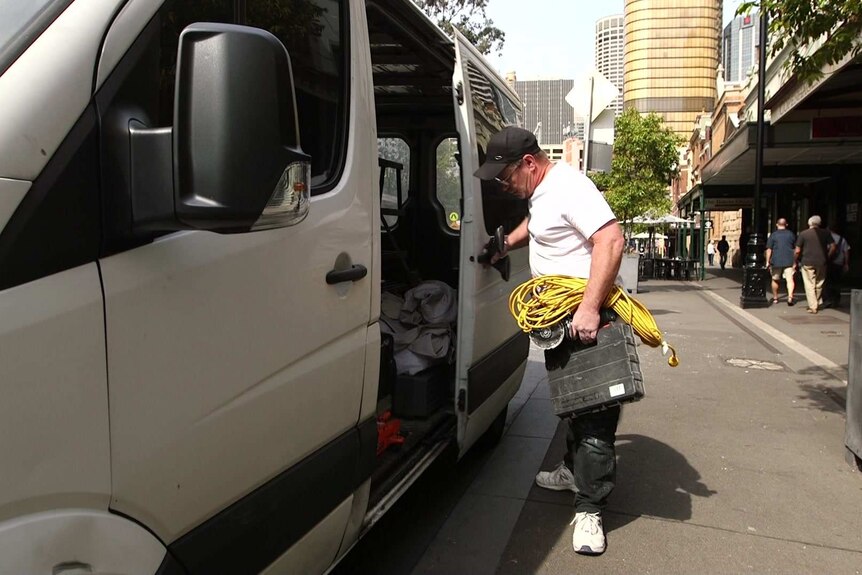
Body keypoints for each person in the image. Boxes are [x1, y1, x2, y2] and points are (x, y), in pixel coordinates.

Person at [475, 126, 624, 555]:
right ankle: (572, 470)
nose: (502, 184)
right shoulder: (543, 194)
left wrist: (590, 308)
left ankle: (590, 509)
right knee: (573, 405)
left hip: (585, 317)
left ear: (529, 163)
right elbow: (539, 224)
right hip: (561, 318)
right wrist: (505, 244)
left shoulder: (569, 187)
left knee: (594, 414)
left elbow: (610, 240)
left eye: (504, 176)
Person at [794, 215, 835, 314]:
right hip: (822, 262)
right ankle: (815, 302)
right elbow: (833, 246)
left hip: (807, 261)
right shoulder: (826, 233)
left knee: (809, 284)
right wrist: (828, 256)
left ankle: (813, 306)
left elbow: (797, 250)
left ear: (809, 223)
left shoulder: (804, 234)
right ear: (819, 223)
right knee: (819, 283)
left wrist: (795, 260)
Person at [765, 218, 797, 306]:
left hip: (776, 260)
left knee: (775, 279)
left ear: (776, 224)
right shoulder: (791, 234)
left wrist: (767, 261)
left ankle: (775, 297)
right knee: (790, 280)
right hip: (789, 260)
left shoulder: (773, 235)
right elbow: (795, 249)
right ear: (786, 224)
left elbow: (769, 249)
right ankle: (790, 297)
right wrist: (795, 261)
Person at [823, 226, 850, 308]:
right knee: (837, 282)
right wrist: (846, 263)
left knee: (827, 282)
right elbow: (846, 252)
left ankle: (827, 299)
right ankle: (836, 300)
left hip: (828, 263)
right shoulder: (842, 239)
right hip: (839, 263)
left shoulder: (825, 238)